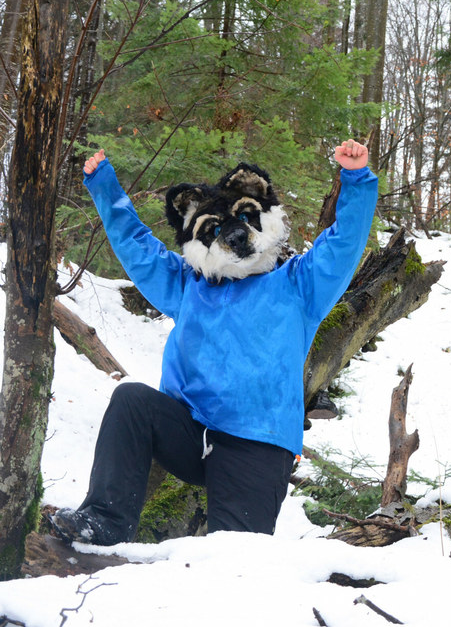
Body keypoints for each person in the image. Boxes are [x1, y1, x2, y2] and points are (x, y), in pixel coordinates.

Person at [49, 140, 378, 545]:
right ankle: (104, 522)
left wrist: (357, 179)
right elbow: (139, 249)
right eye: (215, 230)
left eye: (244, 220)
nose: (234, 237)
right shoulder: (188, 285)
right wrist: (104, 186)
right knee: (131, 401)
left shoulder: (298, 284)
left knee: (233, 564)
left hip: (257, 443)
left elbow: (344, 243)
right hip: (190, 428)